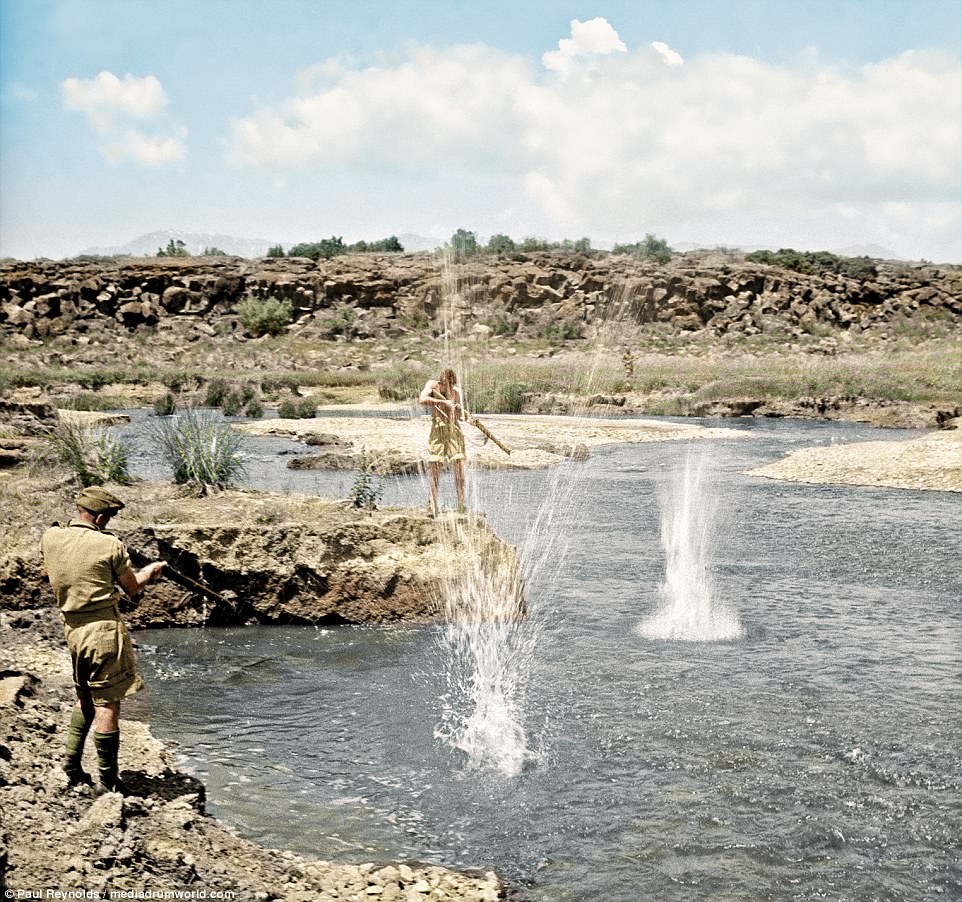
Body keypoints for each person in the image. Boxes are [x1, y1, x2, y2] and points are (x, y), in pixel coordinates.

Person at [40, 486, 166, 794]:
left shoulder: (51, 537)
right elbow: (132, 587)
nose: (108, 522)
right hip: (103, 632)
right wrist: (150, 571)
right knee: (108, 703)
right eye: (108, 517)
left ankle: (71, 762)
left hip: (72, 629)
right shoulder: (109, 545)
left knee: (84, 693)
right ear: (98, 516)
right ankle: (109, 780)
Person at [419, 367, 467, 515]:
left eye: (452, 384)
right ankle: (432, 504)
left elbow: (460, 416)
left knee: (459, 466)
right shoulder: (432, 385)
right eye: (447, 384)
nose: (450, 387)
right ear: (442, 382)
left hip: (453, 429)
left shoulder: (456, 392)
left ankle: (461, 505)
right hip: (438, 428)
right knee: (435, 466)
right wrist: (442, 401)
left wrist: (457, 409)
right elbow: (422, 400)